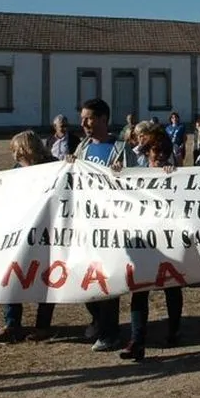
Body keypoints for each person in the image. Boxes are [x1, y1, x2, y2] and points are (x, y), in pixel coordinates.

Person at [70, 98, 138, 352]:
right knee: (84, 276)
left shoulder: (120, 149)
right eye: (83, 119)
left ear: (103, 119)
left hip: (111, 226)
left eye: (88, 118)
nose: (84, 123)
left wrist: (124, 175)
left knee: (107, 279)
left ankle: (110, 333)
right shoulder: (82, 148)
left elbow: (137, 185)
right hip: (86, 224)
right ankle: (98, 319)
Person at [118, 134, 183, 362]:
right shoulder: (136, 173)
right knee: (139, 290)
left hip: (168, 241)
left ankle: (173, 330)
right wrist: (117, 173)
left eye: (165, 152)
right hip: (144, 241)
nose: (161, 156)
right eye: (157, 152)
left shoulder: (175, 174)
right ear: (147, 154)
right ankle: (137, 340)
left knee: (172, 287)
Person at [0, 131, 58, 343]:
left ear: (25, 149)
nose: (14, 155)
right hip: (21, 232)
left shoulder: (54, 167)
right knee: (13, 274)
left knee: (45, 277)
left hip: (48, 232)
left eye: (16, 150)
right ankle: (12, 323)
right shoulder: (16, 170)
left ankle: (43, 325)